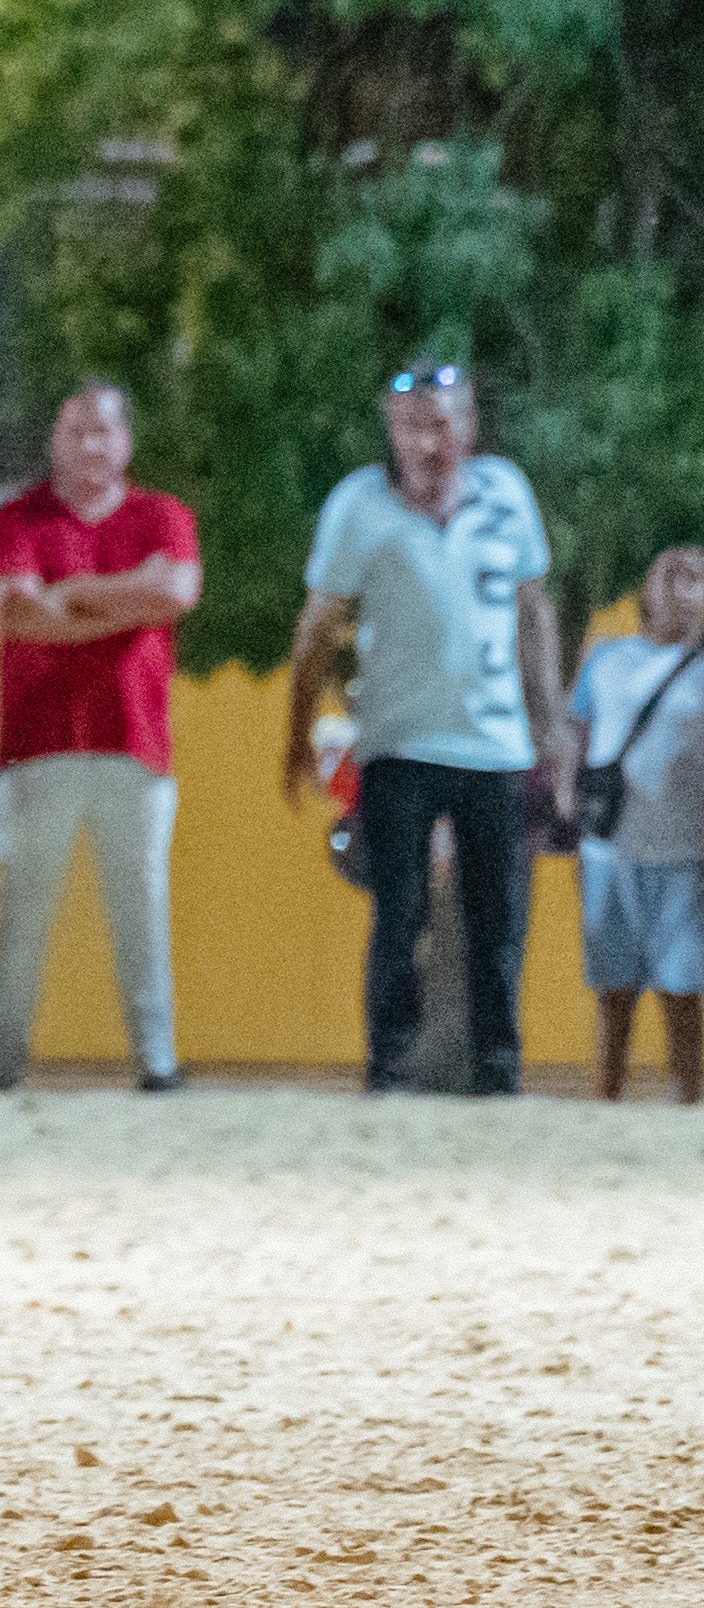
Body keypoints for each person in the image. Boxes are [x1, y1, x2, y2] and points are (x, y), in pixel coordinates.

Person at [285, 359, 569, 1097]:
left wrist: (553, 726)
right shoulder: (361, 505)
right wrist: (296, 732)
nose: (428, 442)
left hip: (495, 744)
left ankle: (498, 1075)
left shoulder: (507, 495)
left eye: (441, 423)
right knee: (398, 915)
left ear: (469, 427)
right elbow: (319, 626)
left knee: (496, 926)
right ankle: (390, 1074)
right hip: (399, 743)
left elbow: (533, 612)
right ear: (393, 433)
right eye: (412, 427)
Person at [0, 379, 204, 1092]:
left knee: (142, 912)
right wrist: (129, 605)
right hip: (35, 745)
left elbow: (177, 593)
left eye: (103, 431)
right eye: (75, 431)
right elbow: (22, 616)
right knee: (23, 914)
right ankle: (0, 1064)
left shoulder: (162, 514)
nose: (90, 445)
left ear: (126, 441)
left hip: (133, 744)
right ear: (54, 441)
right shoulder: (17, 519)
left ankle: (155, 1064)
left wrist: (73, 593)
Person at [566, 540, 704, 1106]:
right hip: (609, 849)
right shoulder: (608, 657)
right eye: (665, 573)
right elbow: (577, 733)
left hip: (684, 850)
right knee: (614, 987)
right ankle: (607, 1100)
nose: (675, 583)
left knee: (682, 987)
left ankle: (689, 1101)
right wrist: (565, 801)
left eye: (691, 574)